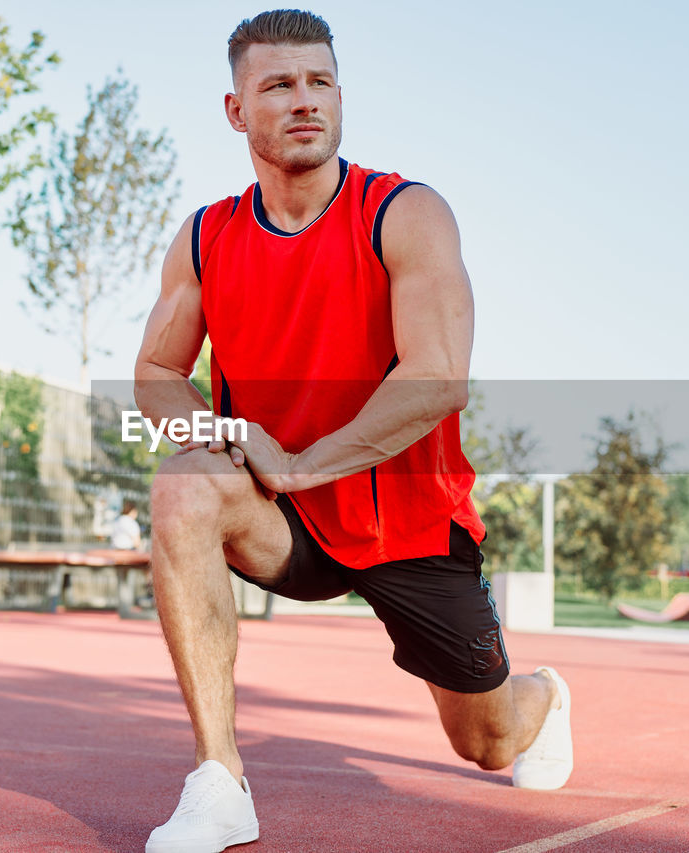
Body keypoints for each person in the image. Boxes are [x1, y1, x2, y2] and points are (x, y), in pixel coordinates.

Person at [133, 11, 572, 853]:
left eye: (320, 82)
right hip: (283, 516)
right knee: (183, 480)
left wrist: (301, 464)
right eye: (279, 85)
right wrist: (227, 434)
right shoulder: (205, 235)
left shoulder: (404, 213)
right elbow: (153, 372)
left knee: (488, 742)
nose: (305, 101)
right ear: (236, 112)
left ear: (340, 95)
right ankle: (219, 781)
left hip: (403, 522)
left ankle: (542, 695)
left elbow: (437, 376)